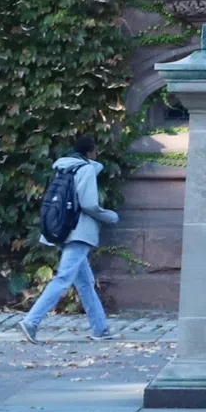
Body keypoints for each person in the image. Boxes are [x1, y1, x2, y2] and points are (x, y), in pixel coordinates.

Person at [23, 137, 120, 343]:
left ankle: (100, 329)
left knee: (85, 283)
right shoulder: (84, 170)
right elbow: (89, 204)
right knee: (63, 279)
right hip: (80, 231)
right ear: (90, 151)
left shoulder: (64, 168)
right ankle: (32, 320)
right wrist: (109, 216)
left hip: (63, 228)